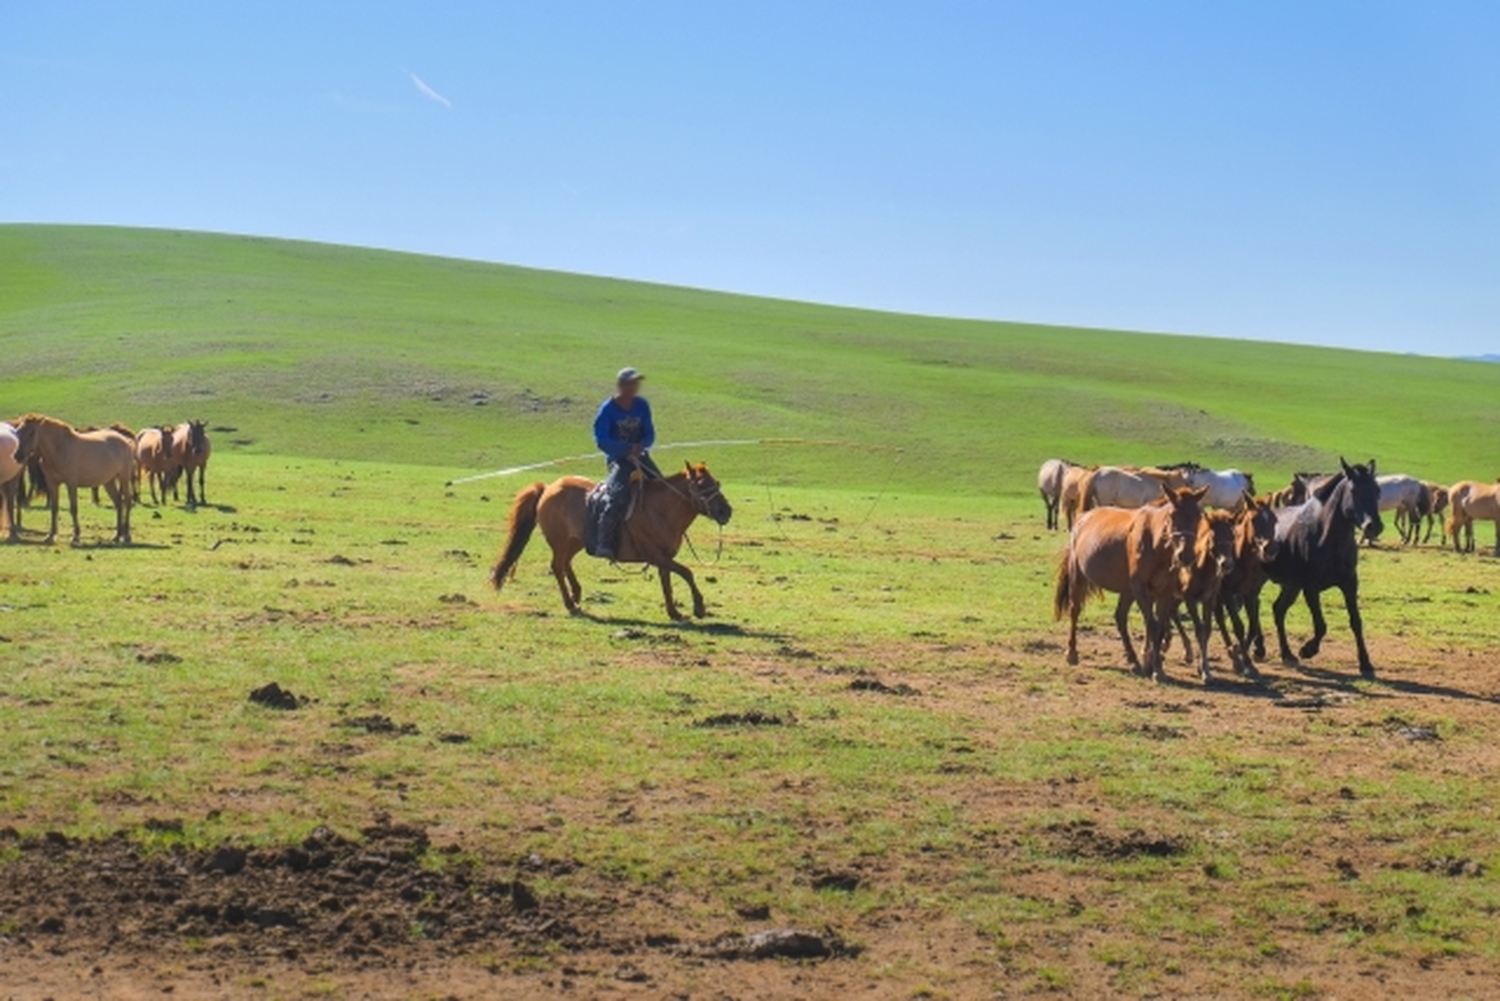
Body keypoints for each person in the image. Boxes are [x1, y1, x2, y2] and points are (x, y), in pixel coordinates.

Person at [591, 366, 660, 558]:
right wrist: (626, 449)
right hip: (618, 460)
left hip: (641, 458)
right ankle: (604, 541)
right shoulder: (607, 410)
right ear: (621, 385)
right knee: (617, 497)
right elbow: (602, 440)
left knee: (661, 488)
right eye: (631, 383)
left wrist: (642, 446)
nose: (635, 387)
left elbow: (649, 433)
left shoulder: (642, 405)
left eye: (636, 383)